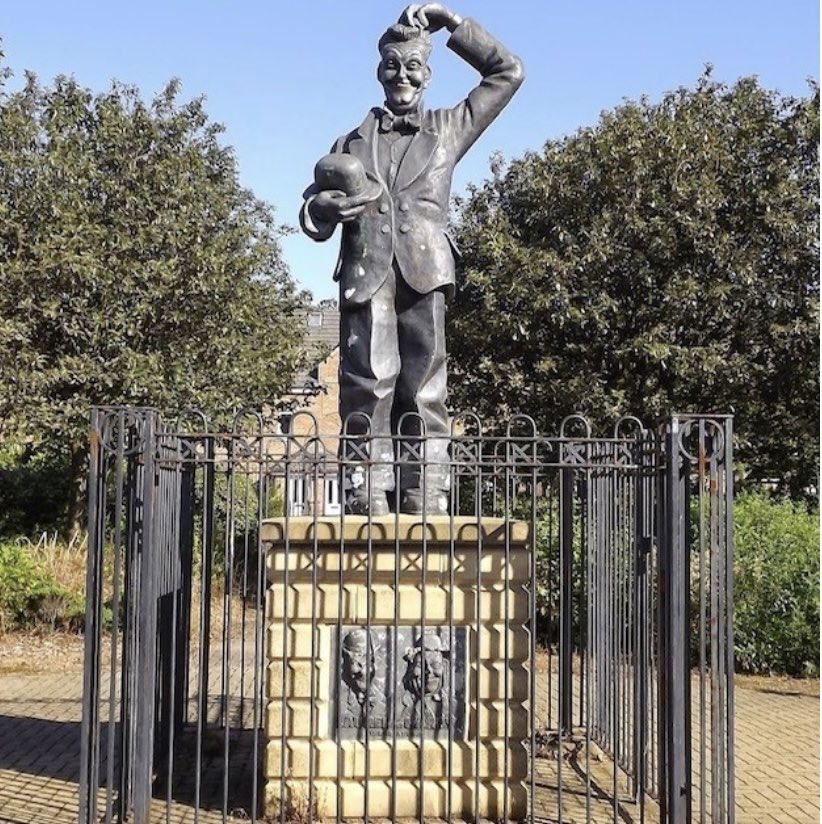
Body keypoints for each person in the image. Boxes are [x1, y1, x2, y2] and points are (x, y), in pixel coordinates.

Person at [300, 3, 524, 515]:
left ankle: (426, 490)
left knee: (424, 385)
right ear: (379, 71)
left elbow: (508, 71)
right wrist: (323, 208)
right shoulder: (350, 143)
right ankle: (364, 490)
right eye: (392, 65)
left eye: (413, 66)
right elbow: (312, 206)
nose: (402, 75)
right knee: (367, 381)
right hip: (365, 269)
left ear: (428, 74)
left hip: (425, 269)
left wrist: (453, 24)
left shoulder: (448, 127)